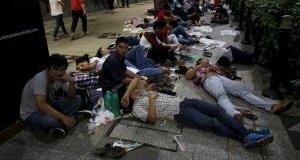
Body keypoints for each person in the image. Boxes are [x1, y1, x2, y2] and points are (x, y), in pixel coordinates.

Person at [120, 77, 274, 149]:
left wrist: (131, 93)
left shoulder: (142, 92)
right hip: (179, 113)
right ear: (128, 95)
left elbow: (136, 78)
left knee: (218, 110)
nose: (135, 87)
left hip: (186, 101)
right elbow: (151, 119)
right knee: (213, 124)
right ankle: (245, 137)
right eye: (131, 89)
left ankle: (248, 134)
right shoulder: (136, 108)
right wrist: (151, 99)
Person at [185, 58, 294, 122]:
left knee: (243, 91)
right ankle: (234, 113)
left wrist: (213, 66)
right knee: (221, 95)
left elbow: (222, 73)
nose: (207, 60)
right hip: (208, 80)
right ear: (199, 61)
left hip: (221, 78)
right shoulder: (195, 67)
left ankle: (271, 106)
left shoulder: (211, 66)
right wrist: (200, 66)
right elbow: (188, 76)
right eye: (204, 59)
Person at [19, 54, 92, 138]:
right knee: (51, 121)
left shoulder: (61, 77)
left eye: (62, 70)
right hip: (32, 114)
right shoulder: (40, 79)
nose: (58, 72)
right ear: (47, 68)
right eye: (55, 69)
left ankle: (63, 125)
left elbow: (71, 95)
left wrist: (71, 81)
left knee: (77, 99)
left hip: (49, 106)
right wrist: (64, 117)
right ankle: (72, 119)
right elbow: (40, 105)